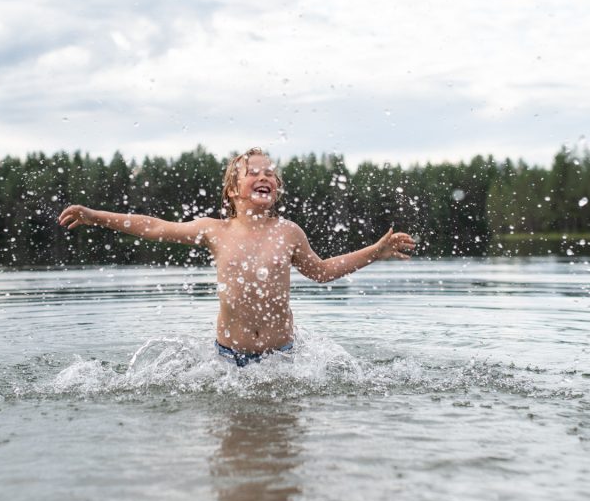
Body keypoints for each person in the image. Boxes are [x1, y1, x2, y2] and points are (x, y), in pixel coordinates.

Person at [57, 147, 416, 366]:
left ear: (276, 189)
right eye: (254, 172)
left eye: (270, 173)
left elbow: (321, 272)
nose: (265, 176)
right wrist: (95, 216)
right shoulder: (216, 231)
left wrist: (376, 251)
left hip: (283, 357)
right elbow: (154, 227)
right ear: (233, 189)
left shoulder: (288, 232)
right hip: (228, 359)